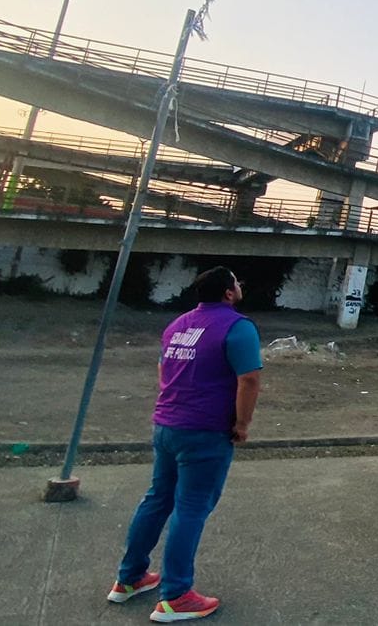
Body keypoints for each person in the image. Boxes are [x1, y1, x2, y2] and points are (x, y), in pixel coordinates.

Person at [107, 267, 263, 622]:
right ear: (228, 293)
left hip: (166, 424)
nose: (239, 286)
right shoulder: (238, 327)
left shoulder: (177, 325)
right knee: (191, 507)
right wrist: (241, 424)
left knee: (157, 498)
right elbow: (249, 380)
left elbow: (163, 371)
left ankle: (129, 578)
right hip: (205, 431)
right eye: (236, 282)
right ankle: (176, 596)